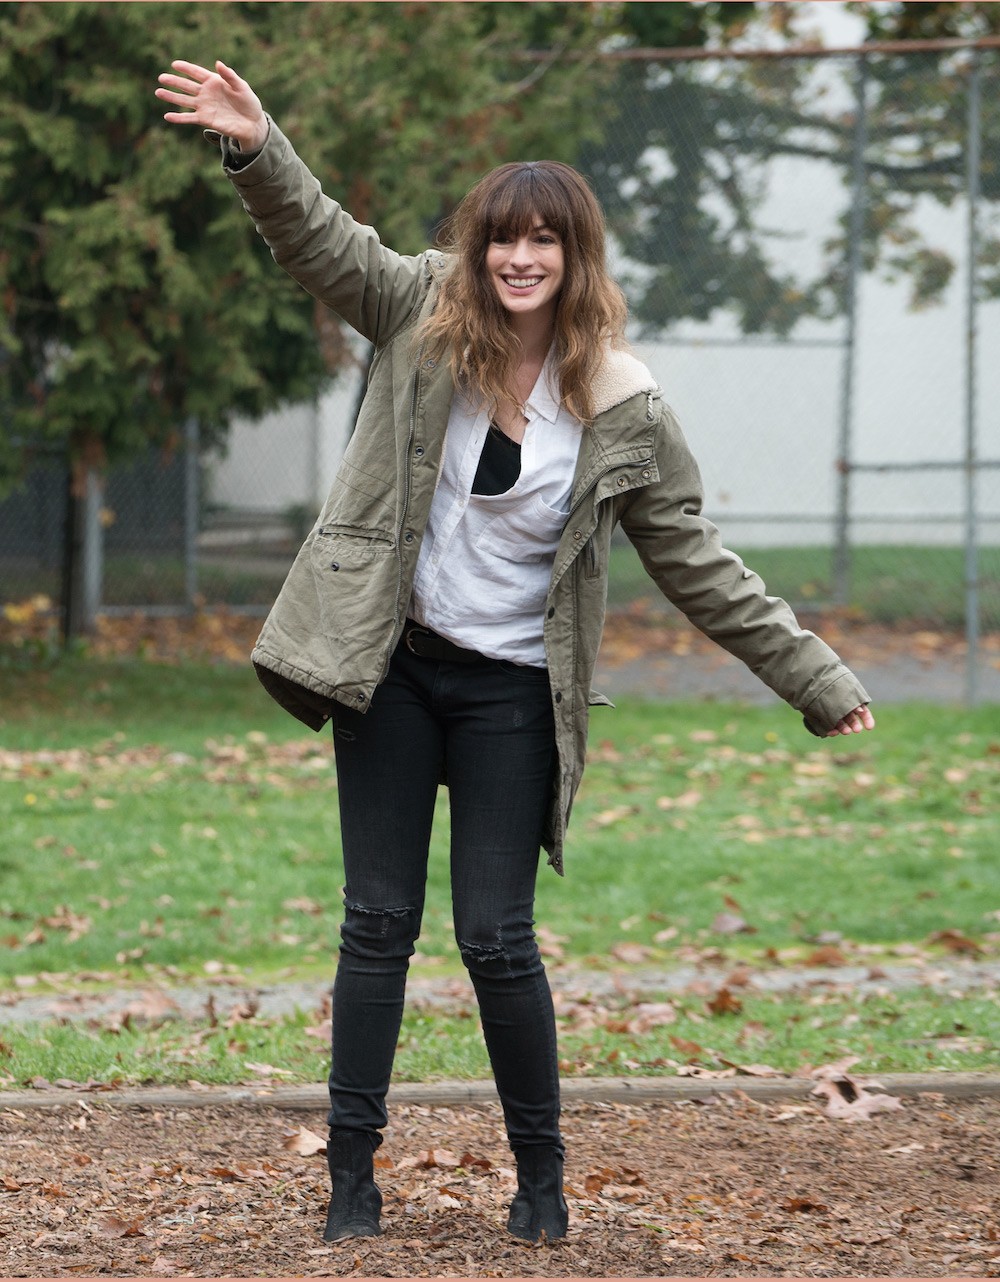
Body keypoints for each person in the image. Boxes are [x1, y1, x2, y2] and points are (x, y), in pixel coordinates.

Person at [156, 59, 875, 1245]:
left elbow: (696, 561)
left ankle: (540, 1183)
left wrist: (813, 674)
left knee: (495, 935)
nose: (520, 257)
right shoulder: (418, 311)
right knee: (376, 922)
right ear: (478, 247)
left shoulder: (623, 404)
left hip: (513, 694)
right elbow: (320, 239)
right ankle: (351, 1180)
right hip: (391, 670)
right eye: (503, 237)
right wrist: (255, 145)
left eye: (544, 240)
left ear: (576, 257)